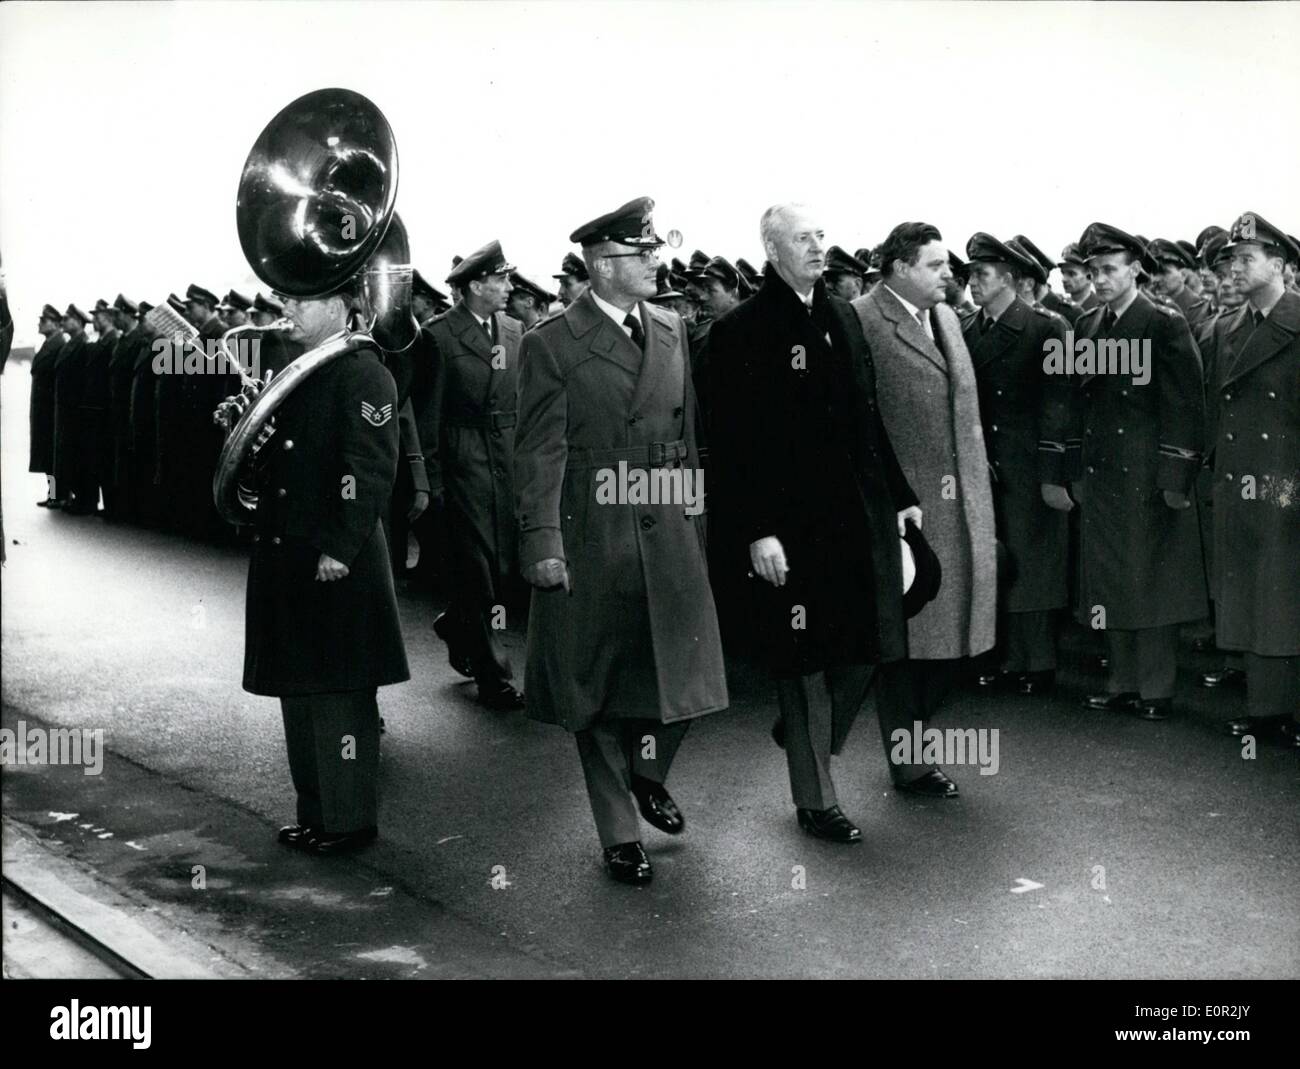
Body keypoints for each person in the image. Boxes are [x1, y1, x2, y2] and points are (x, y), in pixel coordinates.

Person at [514, 196, 727, 884]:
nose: (657, 262)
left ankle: (648, 769)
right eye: (645, 253)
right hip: (593, 528)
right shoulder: (552, 342)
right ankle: (618, 835)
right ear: (604, 265)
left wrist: (697, 522)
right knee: (597, 687)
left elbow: (688, 438)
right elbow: (539, 451)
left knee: (685, 674)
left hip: (667, 524)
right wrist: (544, 541)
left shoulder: (671, 327)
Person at [709, 204, 919, 842]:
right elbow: (731, 444)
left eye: (821, 236)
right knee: (801, 664)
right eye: (803, 239)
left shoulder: (842, 319)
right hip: (789, 527)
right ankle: (816, 799)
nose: (818, 247)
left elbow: (867, 415)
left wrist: (901, 494)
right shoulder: (741, 331)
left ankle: (803, 736)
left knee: (865, 646)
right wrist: (757, 530)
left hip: (855, 515)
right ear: (772, 252)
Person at [224, 278, 408, 855]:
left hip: (334, 557)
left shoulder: (364, 373)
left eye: (300, 301)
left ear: (341, 305)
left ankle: (349, 820)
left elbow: (372, 466)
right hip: (289, 548)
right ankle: (317, 813)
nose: (287, 309)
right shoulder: (301, 370)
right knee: (300, 691)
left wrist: (340, 546)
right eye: (287, 299)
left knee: (339, 694)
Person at [853, 221, 998, 796]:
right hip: (906, 508)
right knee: (908, 646)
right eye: (936, 265)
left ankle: (860, 728)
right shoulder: (862, 320)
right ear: (900, 268)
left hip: (962, 504)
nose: (949, 274)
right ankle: (907, 759)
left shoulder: (944, 319)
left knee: (951, 645)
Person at [1066, 223, 1208, 720]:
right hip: (1103, 473)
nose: (1100, 279)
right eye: (1093, 271)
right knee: (1107, 581)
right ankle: (1121, 680)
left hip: (1146, 473)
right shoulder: (1086, 326)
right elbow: (1078, 404)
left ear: (1134, 271)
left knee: (1150, 582)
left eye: (1109, 269)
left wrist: (1175, 477)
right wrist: (1072, 469)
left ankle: (1155, 689)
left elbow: (1187, 404)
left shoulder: (1163, 323)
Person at [1204, 213, 1299, 749]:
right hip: (1241, 484)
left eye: (1246, 258)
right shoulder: (1228, 327)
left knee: (1287, 595)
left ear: (1280, 266)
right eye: (1232, 259)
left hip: (1288, 486)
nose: (1235, 267)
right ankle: (1267, 711)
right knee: (1258, 599)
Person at [962, 233, 1072, 694]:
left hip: (1029, 461)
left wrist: (1054, 470)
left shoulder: (1049, 328)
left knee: (1036, 561)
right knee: (997, 557)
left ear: (1008, 279)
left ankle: (1039, 663)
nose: (972, 284)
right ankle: (1005, 656)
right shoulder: (968, 329)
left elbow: (1061, 404)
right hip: (986, 463)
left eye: (982, 275)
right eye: (970, 275)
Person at [425, 241, 526, 709]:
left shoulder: (514, 330)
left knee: (504, 568)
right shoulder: (440, 336)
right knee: (479, 571)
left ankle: (455, 621)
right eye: (501, 279)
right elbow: (429, 414)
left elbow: (521, 400)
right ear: (474, 286)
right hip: (463, 457)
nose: (509, 287)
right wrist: (433, 480)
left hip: (505, 457)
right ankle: (494, 675)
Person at [52, 305, 92, 512]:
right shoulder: (70, 344)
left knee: (76, 454)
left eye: (67, 319)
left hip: (75, 410)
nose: (64, 322)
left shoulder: (82, 344)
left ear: (78, 322)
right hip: (65, 410)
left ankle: (79, 497)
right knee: (64, 455)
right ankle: (63, 495)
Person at [30, 304, 66, 506]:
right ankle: (53, 493)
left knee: (53, 456)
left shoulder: (57, 344)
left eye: (44, 321)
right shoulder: (50, 344)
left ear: (56, 324)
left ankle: (58, 494)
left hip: (50, 410)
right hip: (44, 410)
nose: (40, 324)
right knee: (46, 455)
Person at [1149, 239, 1212, 329]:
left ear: (1183, 275)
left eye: (1164, 273)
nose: (1156, 279)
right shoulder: (1149, 305)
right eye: (1154, 273)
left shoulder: (1199, 309)